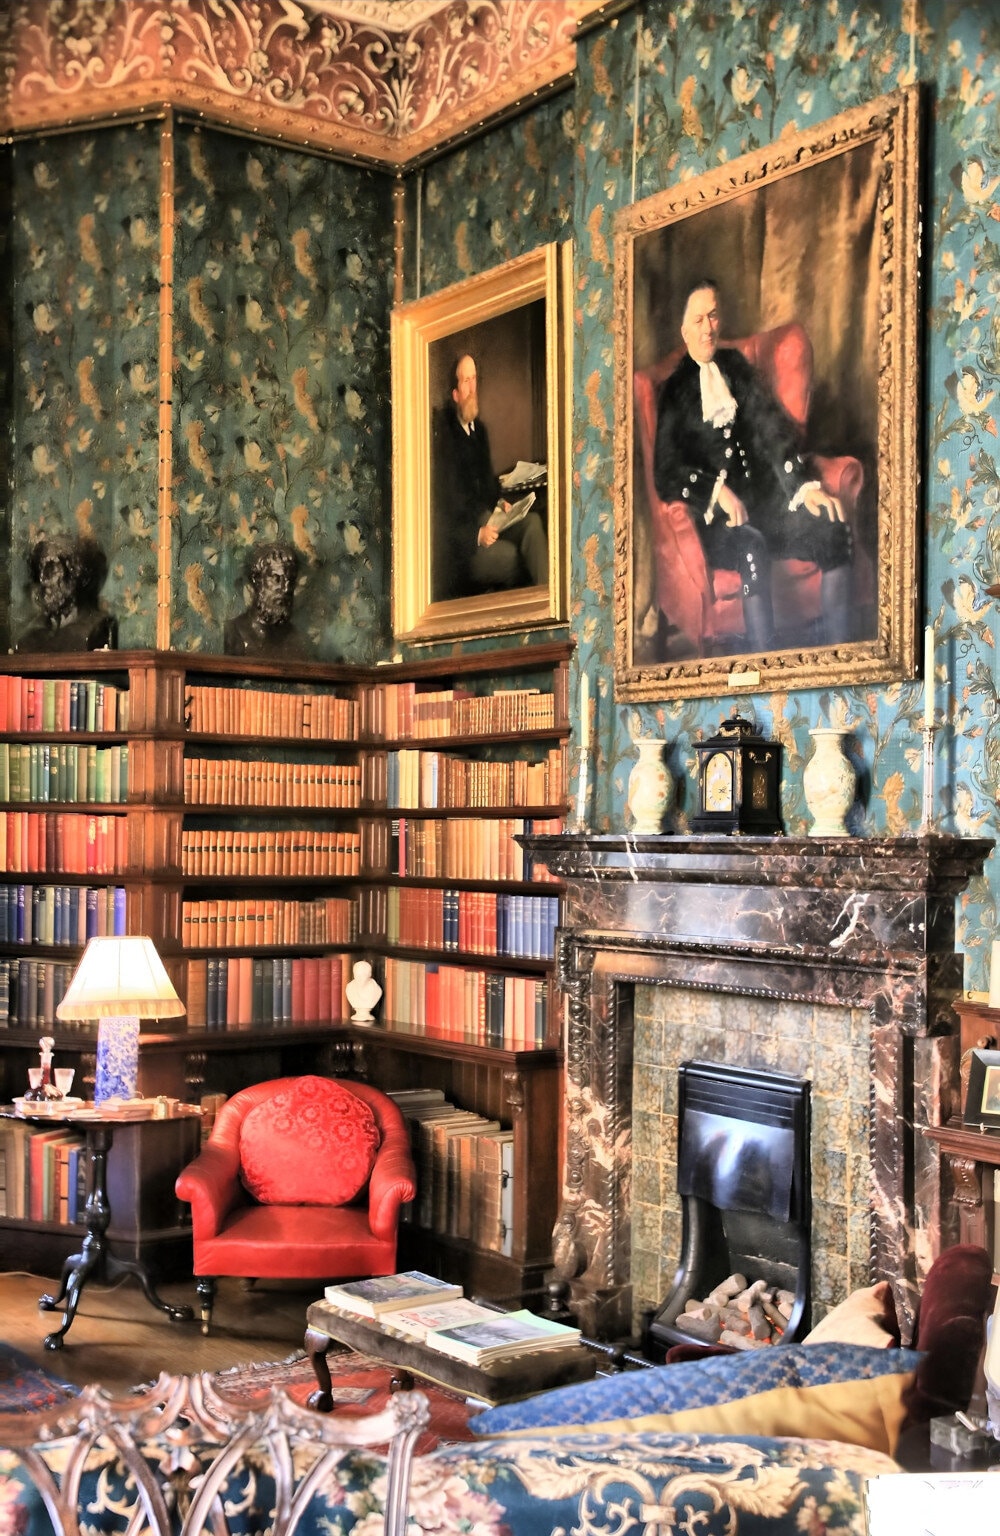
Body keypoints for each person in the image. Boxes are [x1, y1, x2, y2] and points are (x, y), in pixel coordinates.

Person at [652, 279, 853, 652]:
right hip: (717, 526)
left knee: (832, 529)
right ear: (684, 330)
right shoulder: (675, 390)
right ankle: (763, 667)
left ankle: (837, 660)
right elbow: (666, 471)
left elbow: (772, 427)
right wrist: (716, 491)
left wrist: (804, 488)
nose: (708, 327)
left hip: (767, 507)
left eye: (712, 316)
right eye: (698, 320)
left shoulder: (737, 367)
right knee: (751, 548)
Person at [433, 352, 548, 600]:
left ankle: (546, 608)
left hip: (491, 519)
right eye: (465, 381)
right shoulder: (444, 438)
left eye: (474, 378)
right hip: (466, 545)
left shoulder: (479, 430)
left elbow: (485, 483)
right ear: (455, 394)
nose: (473, 387)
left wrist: (500, 502)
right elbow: (443, 512)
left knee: (533, 525)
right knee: (513, 558)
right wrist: (476, 535)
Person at [16, 534, 117, 652]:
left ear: (74, 574)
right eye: (40, 569)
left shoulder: (97, 628)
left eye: (51, 568)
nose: (43, 579)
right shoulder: (30, 635)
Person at [224, 542, 309, 658]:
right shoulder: (234, 631)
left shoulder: (296, 637)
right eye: (276, 579)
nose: (286, 588)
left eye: (291, 580)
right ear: (257, 579)